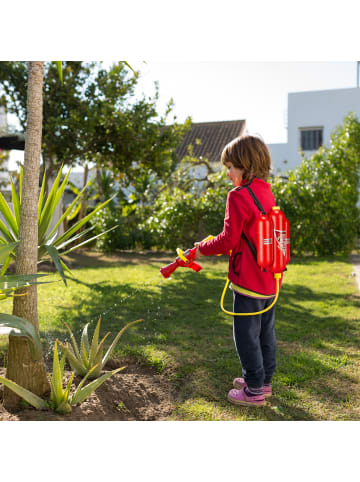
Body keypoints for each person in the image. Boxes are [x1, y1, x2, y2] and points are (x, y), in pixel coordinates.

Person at [193, 134, 281, 407]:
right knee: (266, 333)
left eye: (231, 166)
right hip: (270, 280)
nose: (228, 173)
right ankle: (263, 382)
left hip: (247, 282)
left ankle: (253, 391)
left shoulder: (238, 196)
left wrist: (201, 249)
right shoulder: (266, 191)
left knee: (246, 336)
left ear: (246, 164)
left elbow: (229, 240)